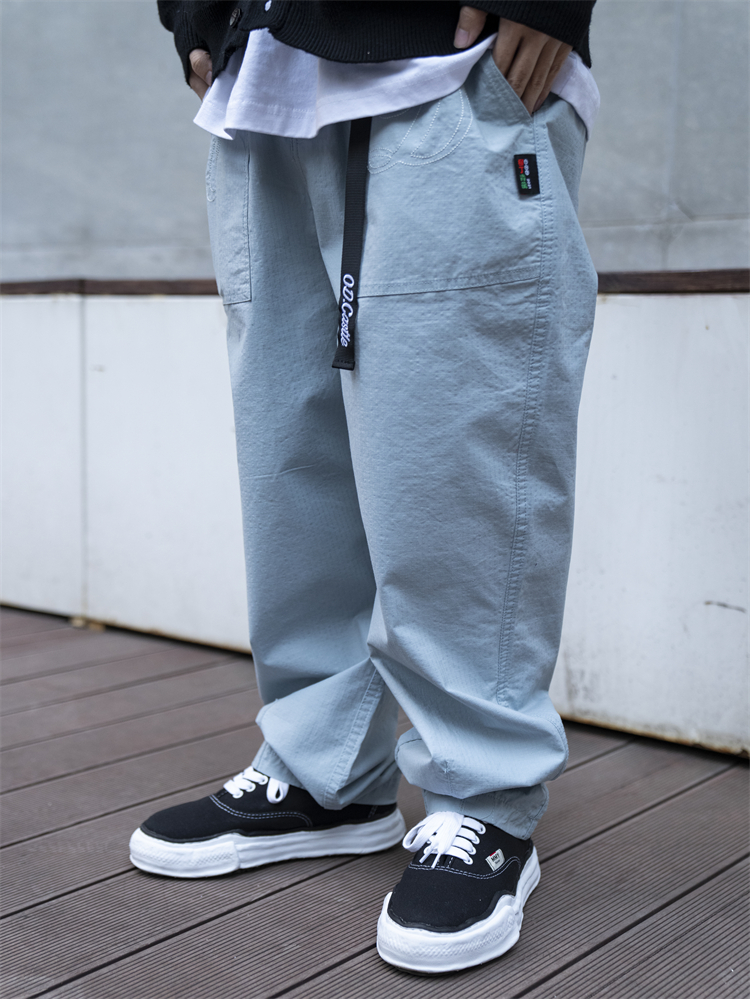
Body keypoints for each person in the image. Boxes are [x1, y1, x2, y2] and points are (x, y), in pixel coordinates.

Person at [130, 0, 599, 975]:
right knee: (290, 447)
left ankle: (483, 795)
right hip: (263, 75)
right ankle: (324, 768)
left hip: (450, 59)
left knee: (454, 446)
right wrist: (193, 15)